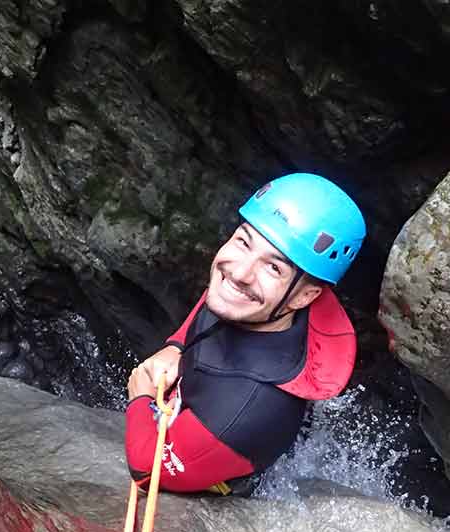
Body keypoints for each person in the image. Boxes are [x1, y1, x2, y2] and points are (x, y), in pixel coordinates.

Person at [124, 173, 365, 495]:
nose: (238, 272)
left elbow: (147, 471)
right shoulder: (255, 301)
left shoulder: (244, 410)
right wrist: (175, 347)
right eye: (243, 242)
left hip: (216, 463)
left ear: (304, 297)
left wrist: (139, 397)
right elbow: (215, 297)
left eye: (273, 267)